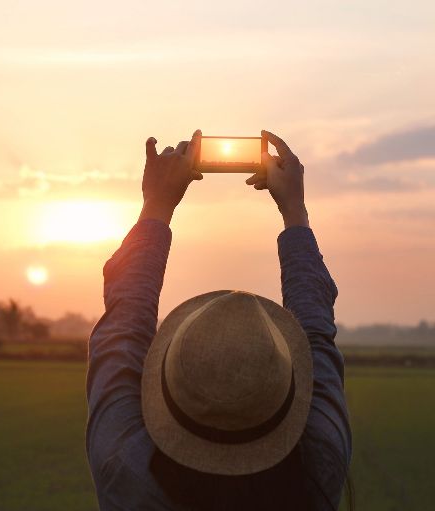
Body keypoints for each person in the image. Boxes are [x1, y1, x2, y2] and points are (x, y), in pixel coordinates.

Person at [86, 130, 352, 511]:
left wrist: (157, 205)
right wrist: (294, 210)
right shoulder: (319, 464)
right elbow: (316, 332)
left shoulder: (128, 468)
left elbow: (123, 329)